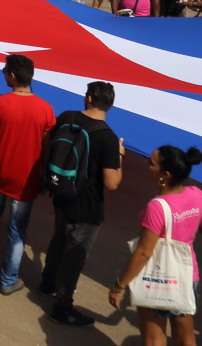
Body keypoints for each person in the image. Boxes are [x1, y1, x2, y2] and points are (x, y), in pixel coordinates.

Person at [110, 146, 202, 346]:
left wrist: (120, 286)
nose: (147, 164)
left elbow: (144, 253)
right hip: (187, 279)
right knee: (185, 338)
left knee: (155, 339)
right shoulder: (196, 194)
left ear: (165, 175)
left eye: (151, 163)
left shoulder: (157, 207)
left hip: (156, 280)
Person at [0, 54, 57, 296]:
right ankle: (8, 280)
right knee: (17, 230)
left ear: (12, 76)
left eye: (5, 71)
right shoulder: (46, 109)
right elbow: (47, 145)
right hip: (26, 179)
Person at [41, 81, 124, 326]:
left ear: (88, 98)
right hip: (87, 207)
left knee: (58, 240)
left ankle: (47, 283)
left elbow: (49, 141)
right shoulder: (107, 138)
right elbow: (112, 183)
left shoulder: (67, 117)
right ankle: (62, 307)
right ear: (110, 104)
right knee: (75, 256)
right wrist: (119, 155)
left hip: (62, 193)